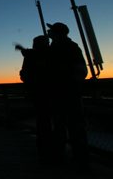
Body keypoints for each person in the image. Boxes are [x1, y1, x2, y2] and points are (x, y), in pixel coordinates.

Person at [46, 22, 89, 168]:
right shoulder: (63, 47)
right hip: (65, 94)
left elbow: (80, 71)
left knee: (71, 128)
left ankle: (77, 160)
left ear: (58, 33)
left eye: (51, 31)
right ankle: (72, 158)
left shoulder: (68, 48)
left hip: (67, 95)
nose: (49, 32)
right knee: (64, 127)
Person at [16, 35, 53, 163]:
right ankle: (54, 149)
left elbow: (24, 73)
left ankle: (44, 150)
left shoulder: (30, 56)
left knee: (43, 121)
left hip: (37, 93)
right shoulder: (51, 54)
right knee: (55, 122)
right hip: (53, 93)